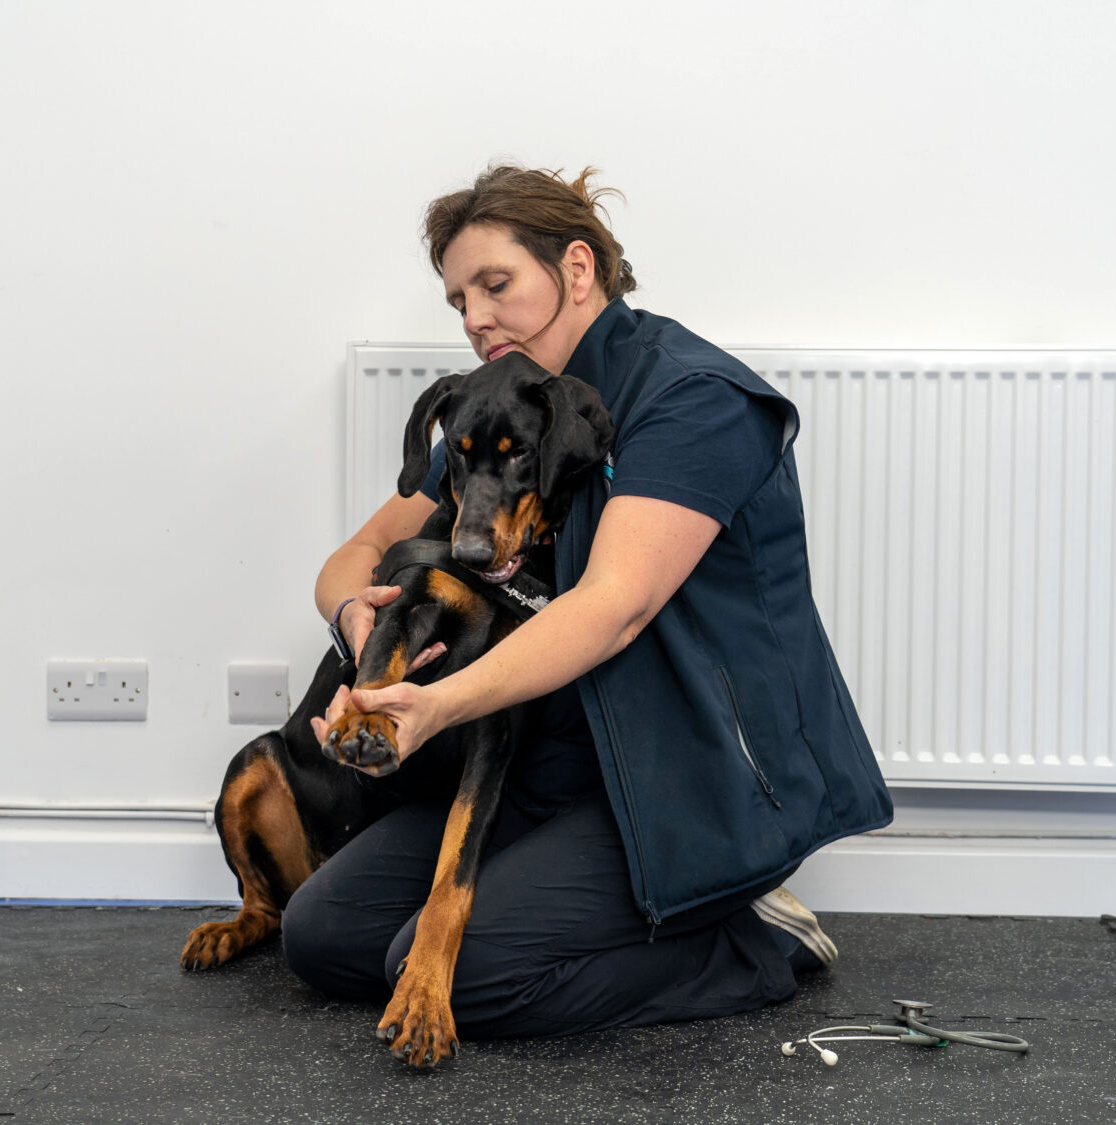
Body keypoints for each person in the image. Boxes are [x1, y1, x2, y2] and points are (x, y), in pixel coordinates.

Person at [283, 165, 893, 1037]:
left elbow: (614, 606)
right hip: (548, 765)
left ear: (577, 269)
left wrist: (434, 705)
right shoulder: (498, 420)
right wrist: (359, 622)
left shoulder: (692, 399)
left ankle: (753, 939)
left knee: (473, 977)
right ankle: (592, 912)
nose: (475, 318)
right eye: (458, 300)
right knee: (321, 936)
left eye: (496, 284)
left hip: (679, 777)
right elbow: (356, 555)